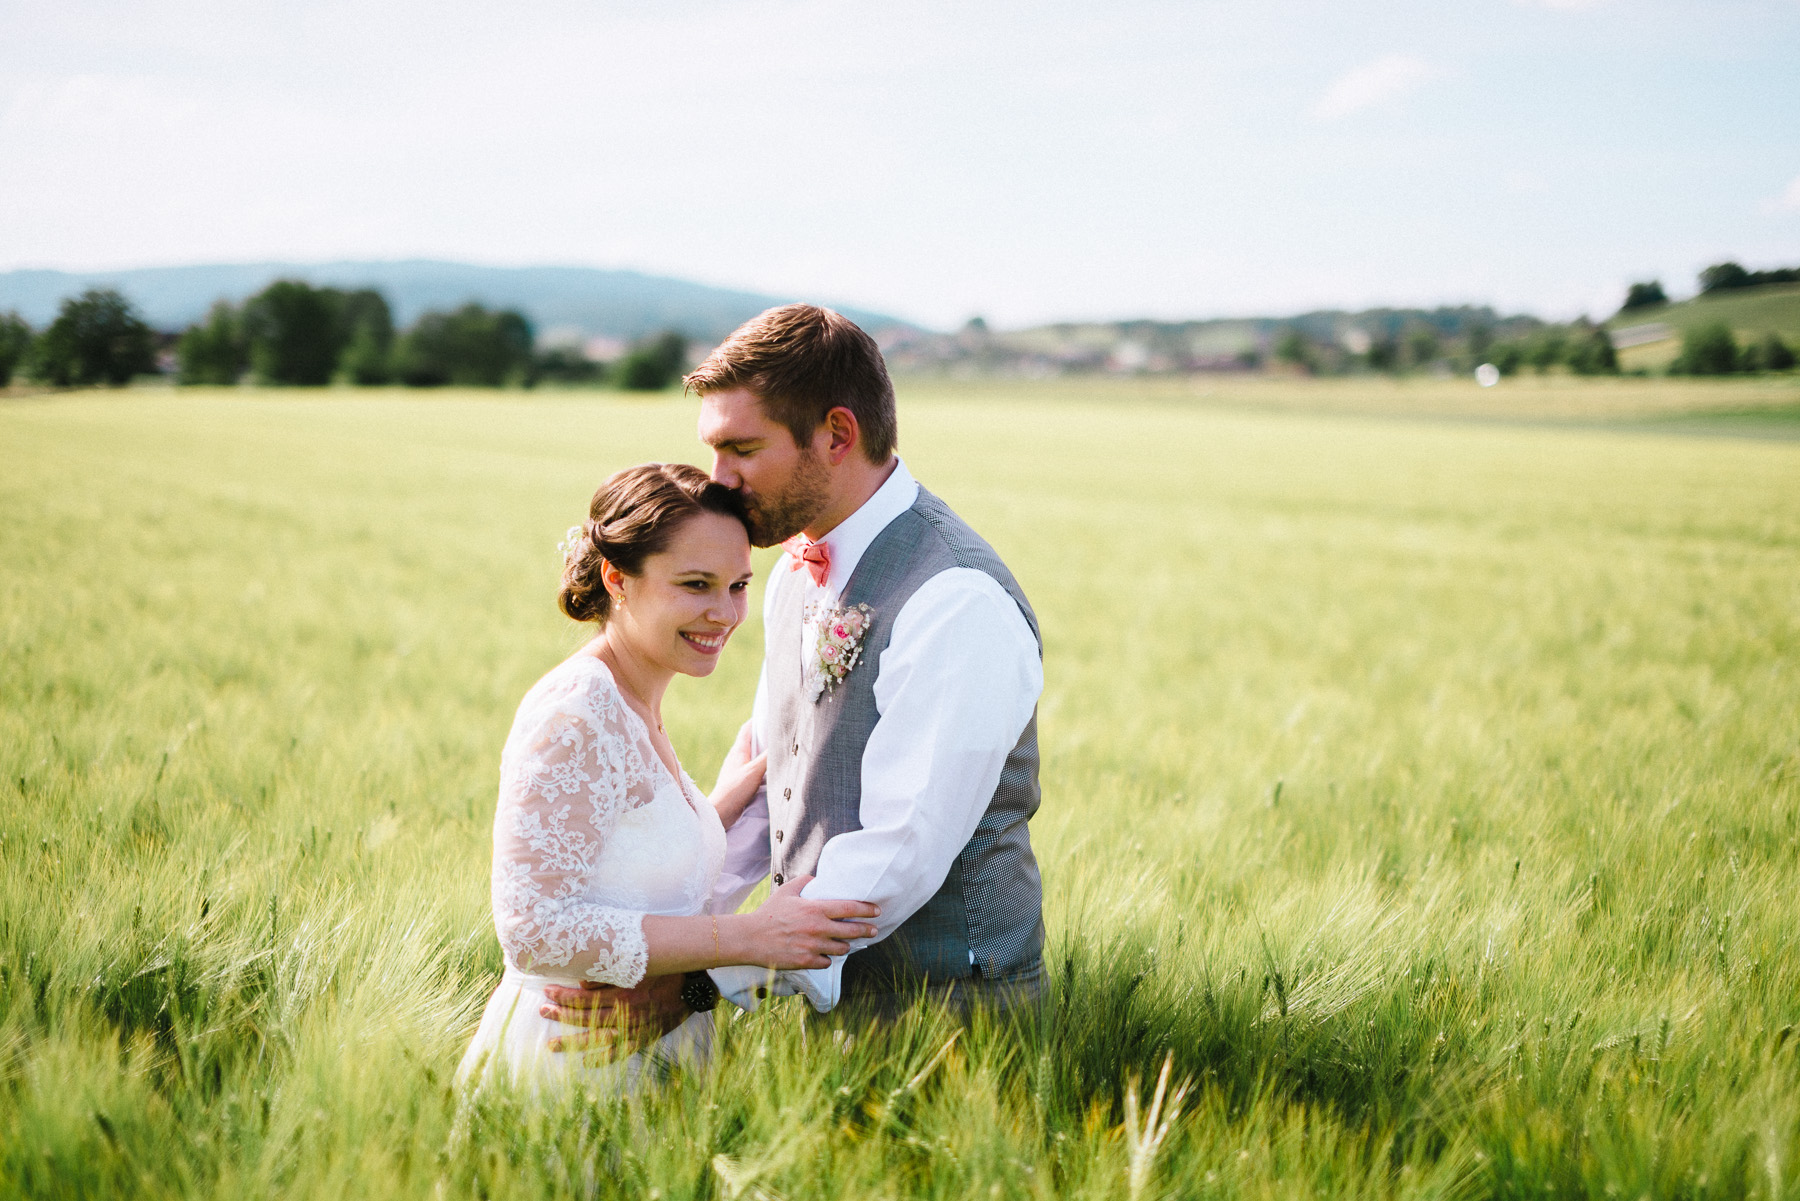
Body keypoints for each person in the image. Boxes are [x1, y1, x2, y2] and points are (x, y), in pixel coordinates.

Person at [537, 305, 1045, 1046]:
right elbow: (771, 777)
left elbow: (899, 849)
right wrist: (668, 941)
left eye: (742, 448)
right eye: (713, 451)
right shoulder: (787, 578)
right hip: (807, 1002)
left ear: (837, 435)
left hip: (947, 1019)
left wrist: (706, 977)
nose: (720, 481)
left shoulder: (955, 599)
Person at [457, 462, 881, 1090]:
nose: (724, 613)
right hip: (574, 1064)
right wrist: (751, 937)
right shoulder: (577, 713)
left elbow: (629, 849)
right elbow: (533, 928)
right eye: (695, 584)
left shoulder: (634, 700)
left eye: (738, 586)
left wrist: (762, 775)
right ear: (617, 579)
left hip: (645, 1055)